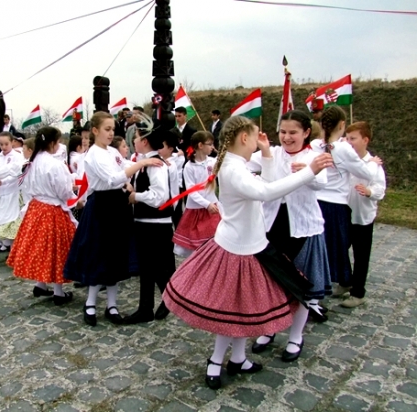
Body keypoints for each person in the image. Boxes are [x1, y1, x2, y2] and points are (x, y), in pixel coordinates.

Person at [162, 115, 333, 390]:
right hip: (238, 250)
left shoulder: (234, 164)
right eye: (255, 137)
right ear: (244, 138)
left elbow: (264, 187)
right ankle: (216, 362)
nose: (262, 140)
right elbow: (266, 192)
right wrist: (308, 171)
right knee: (232, 309)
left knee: (241, 308)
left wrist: (266, 154)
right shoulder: (234, 169)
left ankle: (238, 358)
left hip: (248, 245)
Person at [63, 111, 164, 327]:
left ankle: (112, 305)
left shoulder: (111, 151)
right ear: (95, 130)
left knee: (116, 256)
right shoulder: (93, 154)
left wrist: (135, 174)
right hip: (101, 207)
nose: (111, 133)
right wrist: (141, 164)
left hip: (118, 205)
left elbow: (123, 168)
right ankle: (90, 303)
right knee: (98, 255)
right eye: (107, 129)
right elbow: (112, 178)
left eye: (112, 129)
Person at [247, 109, 332, 350]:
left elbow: (321, 183)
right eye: (283, 132)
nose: (286, 137)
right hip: (271, 226)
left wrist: (309, 172)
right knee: (270, 283)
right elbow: (244, 163)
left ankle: (296, 337)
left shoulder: (313, 156)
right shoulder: (272, 153)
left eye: (293, 132)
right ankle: (269, 329)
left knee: (300, 285)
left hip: (303, 228)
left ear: (306, 132)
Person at [310, 106, 381, 296]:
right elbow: (366, 173)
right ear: (342, 125)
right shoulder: (342, 148)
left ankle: (336, 281)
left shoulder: (315, 145)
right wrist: (372, 163)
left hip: (316, 201)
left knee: (320, 247)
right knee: (337, 247)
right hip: (335, 205)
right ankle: (331, 283)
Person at [7, 126, 77, 303]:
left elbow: (26, 185)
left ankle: (41, 284)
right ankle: (58, 292)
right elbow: (63, 191)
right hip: (52, 210)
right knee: (57, 250)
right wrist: (73, 192)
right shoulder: (54, 164)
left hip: (36, 208)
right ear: (52, 143)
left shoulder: (31, 162)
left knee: (42, 248)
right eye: (58, 142)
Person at [123, 119, 176, 324]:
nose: (134, 141)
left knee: (157, 267)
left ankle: (170, 299)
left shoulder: (155, 165)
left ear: (144, 141)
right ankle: (146, 308)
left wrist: (135, 196)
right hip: (146, 222)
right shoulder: (144, 163)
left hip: (155, 224)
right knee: (147, 267)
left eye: (136, 137)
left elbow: (160, 196)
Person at [343, 121, 386, 307]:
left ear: (365, 140)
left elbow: (380, 188)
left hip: (362, 217)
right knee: (339, 250)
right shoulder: (345, 161)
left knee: (361, 256)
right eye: (347, 138)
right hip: (344, 214)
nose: (348, 142)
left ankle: (358, 293)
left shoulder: (374, 165)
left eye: (353, 138)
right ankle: (345, 281)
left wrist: (369, 192)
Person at [172, 131, 220, 258]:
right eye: (210, 144)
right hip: (196, 210)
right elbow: (191, 191)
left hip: (213, 207)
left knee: (215, 240)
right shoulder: (189, 166)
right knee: (197, 245)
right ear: (200, 145)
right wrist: (206, 204)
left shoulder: (212, 162)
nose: (212, 147)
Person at [0, 132, 25, 253]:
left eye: (6, 144)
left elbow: (17, 174)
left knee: (12, 222)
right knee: (2, 220)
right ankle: (6, 244)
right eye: (1, 144)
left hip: (12, 193)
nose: (4, 147)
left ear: (12, 142)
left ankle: (13, 250)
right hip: (1, 193)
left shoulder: (17, 156)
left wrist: (3, 181)